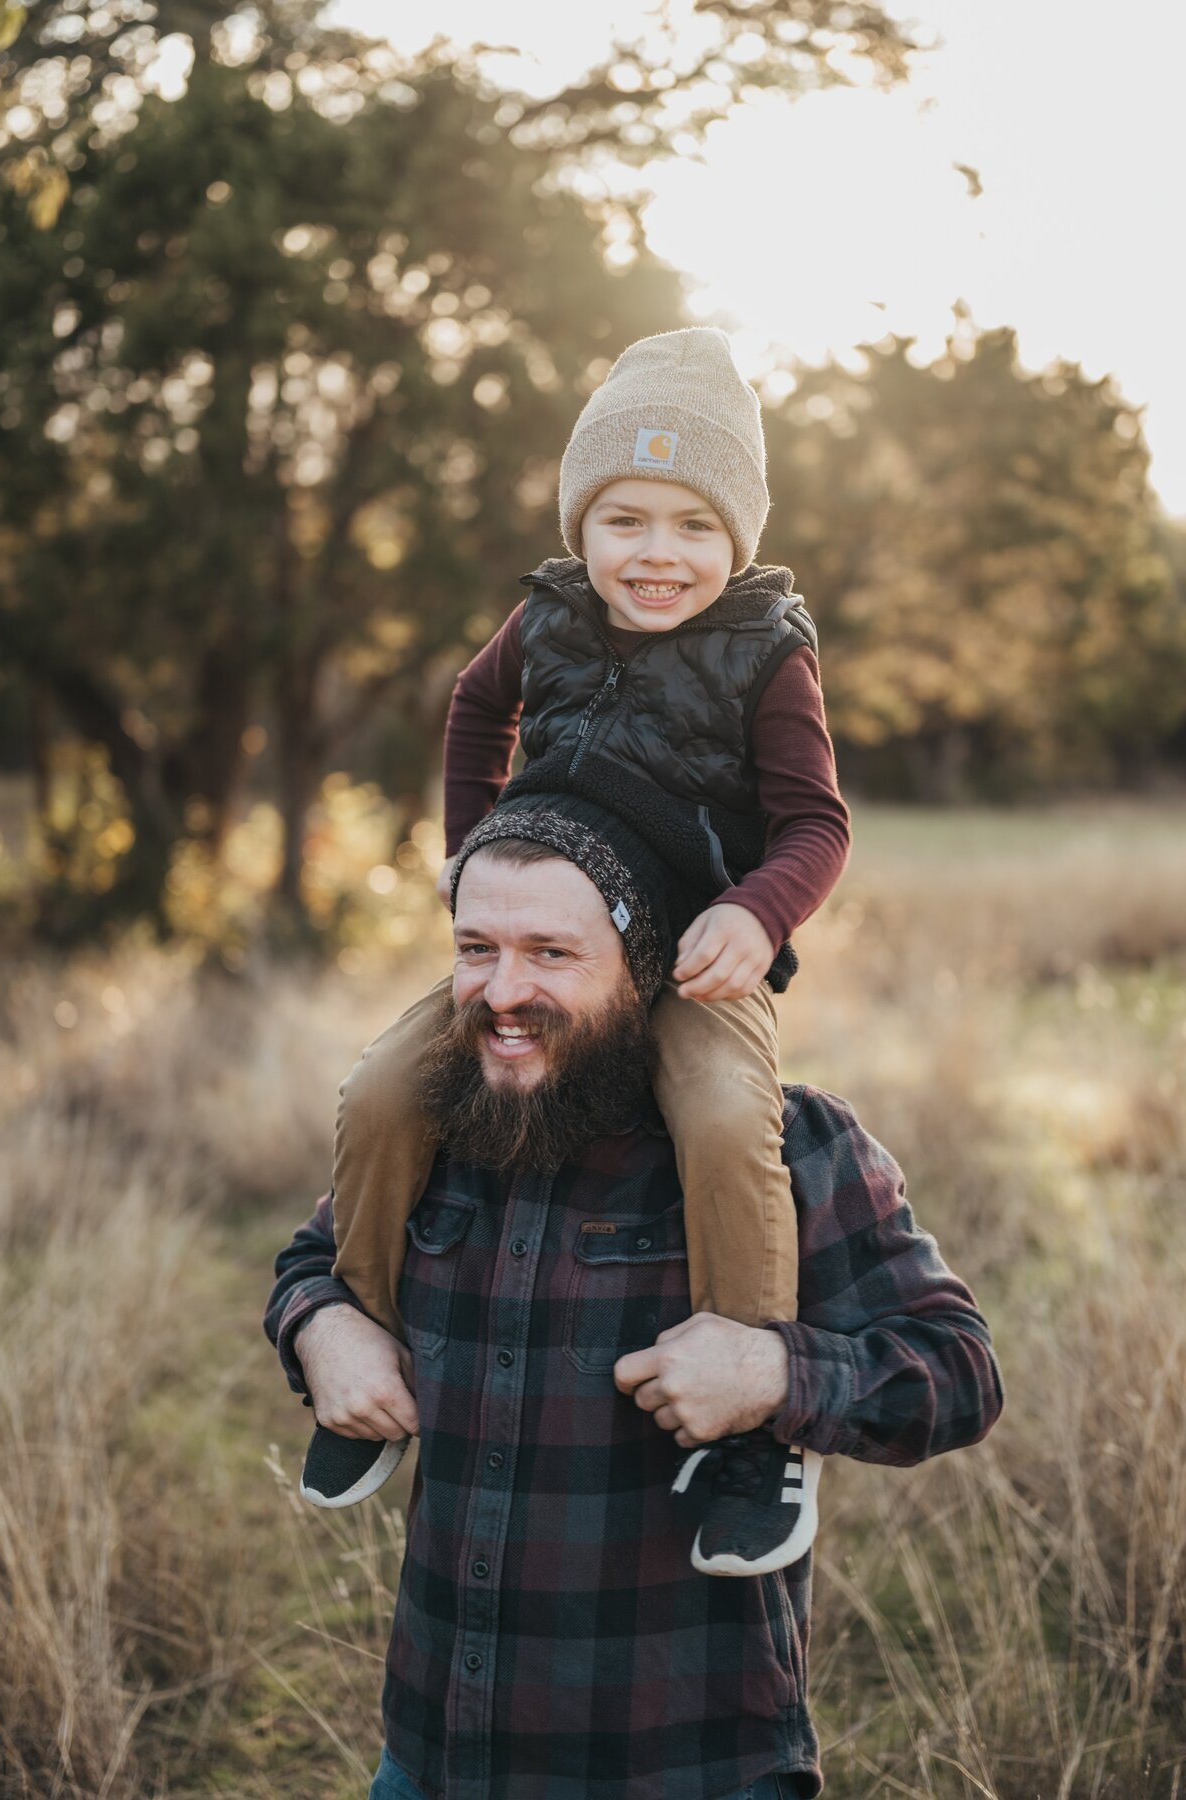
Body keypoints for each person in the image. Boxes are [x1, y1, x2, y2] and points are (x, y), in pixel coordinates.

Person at [264, 810, 1004, 1800]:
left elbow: (958, 1369)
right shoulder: (438, 1135)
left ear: (642, 970)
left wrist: (773, 1373)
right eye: (476, 949)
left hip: (688, 1766)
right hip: (435, 1756)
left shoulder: (784, 1149)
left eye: (552, 953)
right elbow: (314, 1260)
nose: (503, 991)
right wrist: (321, 1325)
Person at [309, 327, 852, 1577]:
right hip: (538, 933)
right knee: (383, 1089)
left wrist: (759, 913)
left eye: (692, 526)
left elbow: (817, 823)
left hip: (688, 952)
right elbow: (470, 707)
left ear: (738, 539)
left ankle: (758, 1427)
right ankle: (365, 1334)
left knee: (722, 1117)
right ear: (582, 525)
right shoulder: (545, 617)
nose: (657, 554)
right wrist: (465, 856)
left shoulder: (769, 649)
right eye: (623, 520)